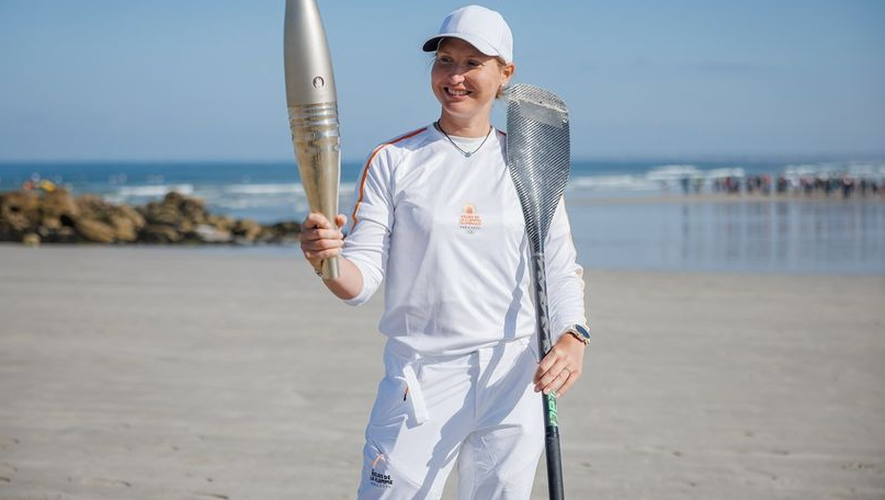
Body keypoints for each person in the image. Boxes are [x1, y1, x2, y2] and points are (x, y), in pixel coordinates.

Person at [299, 5, 589, 499]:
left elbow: (558, 265)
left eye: (472, 63)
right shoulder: (395, 160)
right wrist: (326, 261)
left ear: (505, 74)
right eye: (445, 61)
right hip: (422, 380)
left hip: (515, 377)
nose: (454, 76)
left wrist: (574, 336)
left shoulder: (532, 162)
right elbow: (360, 281)